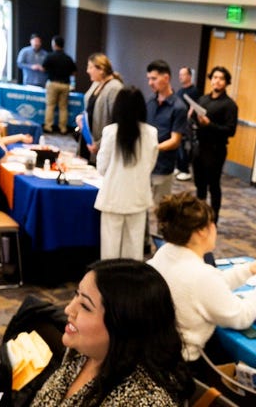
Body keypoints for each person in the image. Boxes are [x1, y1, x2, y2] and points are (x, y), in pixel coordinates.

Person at [147, 193, 256, 367]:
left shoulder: (166, 252)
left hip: (158, 354)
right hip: (184, 365)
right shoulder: (201, 275)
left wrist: (248, 270)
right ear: (202, 231)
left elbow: (208, 288)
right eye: (212, 223)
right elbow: (242, 317)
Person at [32, 259, 192, 406]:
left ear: (122, 325)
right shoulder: (85, 353)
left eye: (85, 306)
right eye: (76, 295)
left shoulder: (142, 400)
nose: (69, 309)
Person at [94, 88, 157, 261]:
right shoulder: (151, 133)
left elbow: (102, 168)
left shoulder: (110, 132)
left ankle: (109, 285)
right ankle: (131, 286)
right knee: (134, 250)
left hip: (113, 197)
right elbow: (150, 165)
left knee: (109, 250)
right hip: (138, 197)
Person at [191, 66, 237, 222]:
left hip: (216, 149)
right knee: (199, 184)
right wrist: (192, 117)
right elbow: (195, 122)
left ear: (226, 82)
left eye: (221, 78)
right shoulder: (203, 99)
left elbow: (230, 130)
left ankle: (214, 219)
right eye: (215, 77)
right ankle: (200, 216)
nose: (217, 80)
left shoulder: (229, 104)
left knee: (214, 185)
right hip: (200, 146)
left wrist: (209, 124)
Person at [144, 60, 187, 206]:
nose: (150, 83)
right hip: (145, 164)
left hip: (162, 165)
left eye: (154, 79)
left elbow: (175, 140)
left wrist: (154, 148)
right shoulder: (150, 101)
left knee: (160, 209)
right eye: (149, 78)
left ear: (166, 78)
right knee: (141, 206)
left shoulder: (178, 107)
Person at [76, 54, 124, 166]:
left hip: (100, 144)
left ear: (101, 69)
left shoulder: (115, 88)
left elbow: (116, 122)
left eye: (90, 67)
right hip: (87, 140)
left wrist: (99, 144)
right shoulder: (96, 83)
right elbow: (89, 107)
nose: (88, 71)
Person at [42, 36, 77, 135]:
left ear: (54, 44)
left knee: (50, 106)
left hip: (53, 83)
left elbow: (44, 68)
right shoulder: (68, 58)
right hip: (65, 85)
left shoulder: (50, 56)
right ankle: (63, 128)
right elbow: (74, 72)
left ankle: (48, 127)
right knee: (63, 107)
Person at [173, 67, 198, 181]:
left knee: (185, 146)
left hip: (187, 123)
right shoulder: (180, 91)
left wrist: (188, 115)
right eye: (180, 74)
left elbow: (193, 105)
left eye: (183, 74)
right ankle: (179, 166)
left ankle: (185, 170)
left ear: (189, 76)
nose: (180, 77)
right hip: (178, 121)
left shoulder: (194, 91)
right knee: (178, 145)